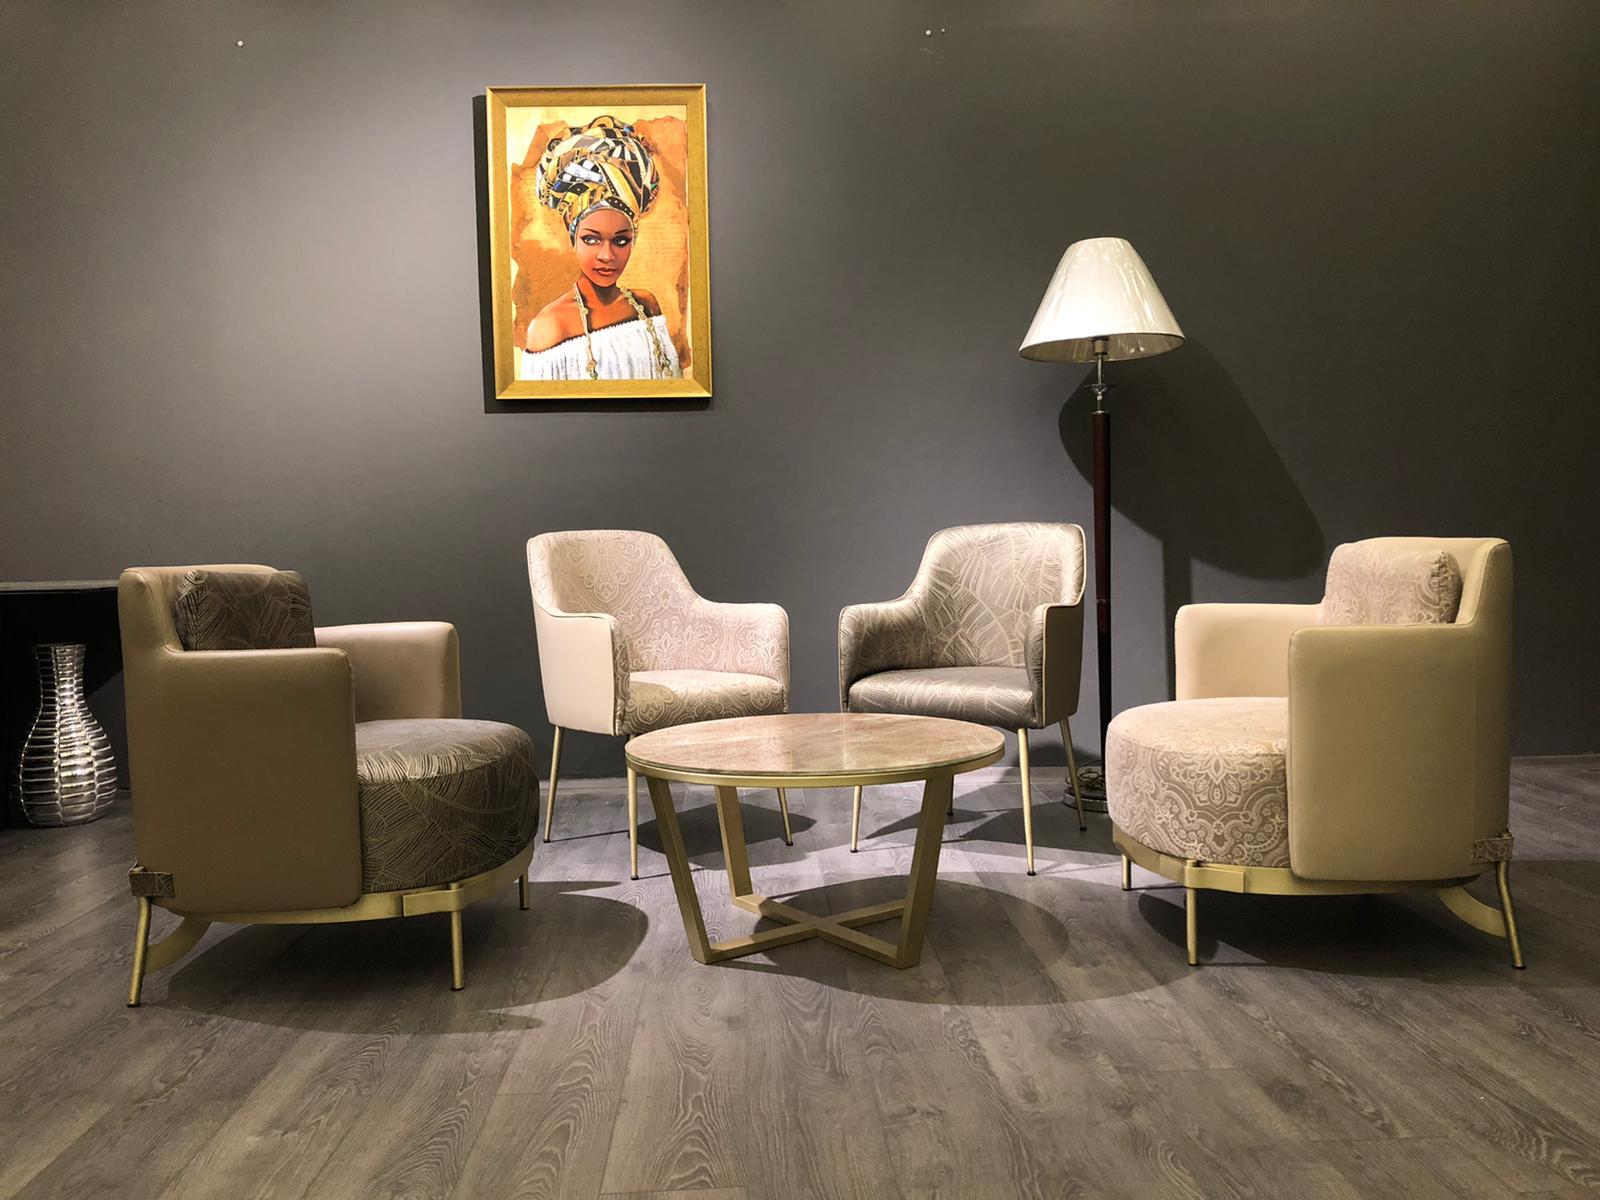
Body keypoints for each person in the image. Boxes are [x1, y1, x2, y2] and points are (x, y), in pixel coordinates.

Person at [519, 117, 683, 381]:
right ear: (572, 234)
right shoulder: (549, 327)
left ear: (634, 237)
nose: (607, 256)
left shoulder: (646, 306)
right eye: (591, 239)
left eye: (621, 241)